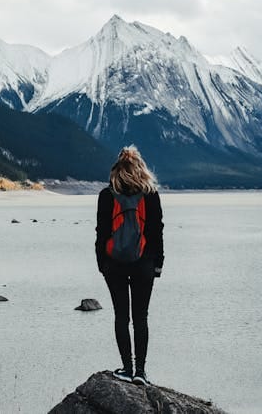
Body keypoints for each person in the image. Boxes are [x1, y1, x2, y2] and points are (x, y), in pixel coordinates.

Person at [95, 145, 164, 386]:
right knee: (141, 317)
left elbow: (101, 232)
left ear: (117, 170)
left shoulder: (106, 195)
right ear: (141, 169)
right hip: (144, 263)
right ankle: (140, 372)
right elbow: (157, 232)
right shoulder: (151, 194)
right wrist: (158, 264)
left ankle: (126, 368)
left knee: (121, 316)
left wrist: (102, 263)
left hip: (114, 264)